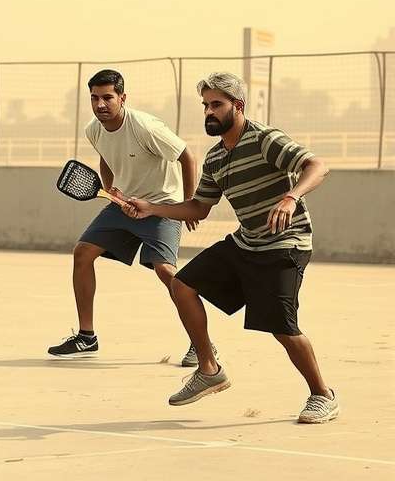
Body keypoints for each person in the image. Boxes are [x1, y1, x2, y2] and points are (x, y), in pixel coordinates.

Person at [125, 72, 338, 424]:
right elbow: (198, 208)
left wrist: (290, 197)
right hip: (246, 242)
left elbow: (318, 165)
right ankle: (209, 368)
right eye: (206, 105)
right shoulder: (215, 159)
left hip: (286, 243)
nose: (209, 111)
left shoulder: (265, 139)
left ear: (237, 106)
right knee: (182, 284)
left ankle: (322, 395)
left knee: (282, 327)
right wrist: (151, 208)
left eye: (217, 105)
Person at [47, 69, 203, 363]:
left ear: (122, 98)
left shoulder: (145, 127)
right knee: (82, 254)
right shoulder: (93, 129)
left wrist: (188, 204)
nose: (100, 104)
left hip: (161, 205)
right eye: (94, 98)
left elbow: (187, 156)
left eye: (108, 97)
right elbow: (106, 158)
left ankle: (202, 344)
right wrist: (112, 192)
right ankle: (86, 337)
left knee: (167, 273)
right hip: (123, 206)